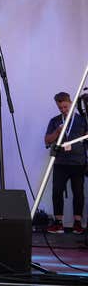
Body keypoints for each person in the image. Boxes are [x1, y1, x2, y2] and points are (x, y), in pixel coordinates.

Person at [44, 92, 87, 234]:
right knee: (57, 192)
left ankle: (77, 223)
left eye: (65, 107)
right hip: (60, 163)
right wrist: (57, 132)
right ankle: (58, 223)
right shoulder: (55, 121)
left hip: (78, 162)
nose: (63, 110)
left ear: (71, 103)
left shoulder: (81, 120)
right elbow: (47, 140)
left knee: (79, 193)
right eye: (60, 108)